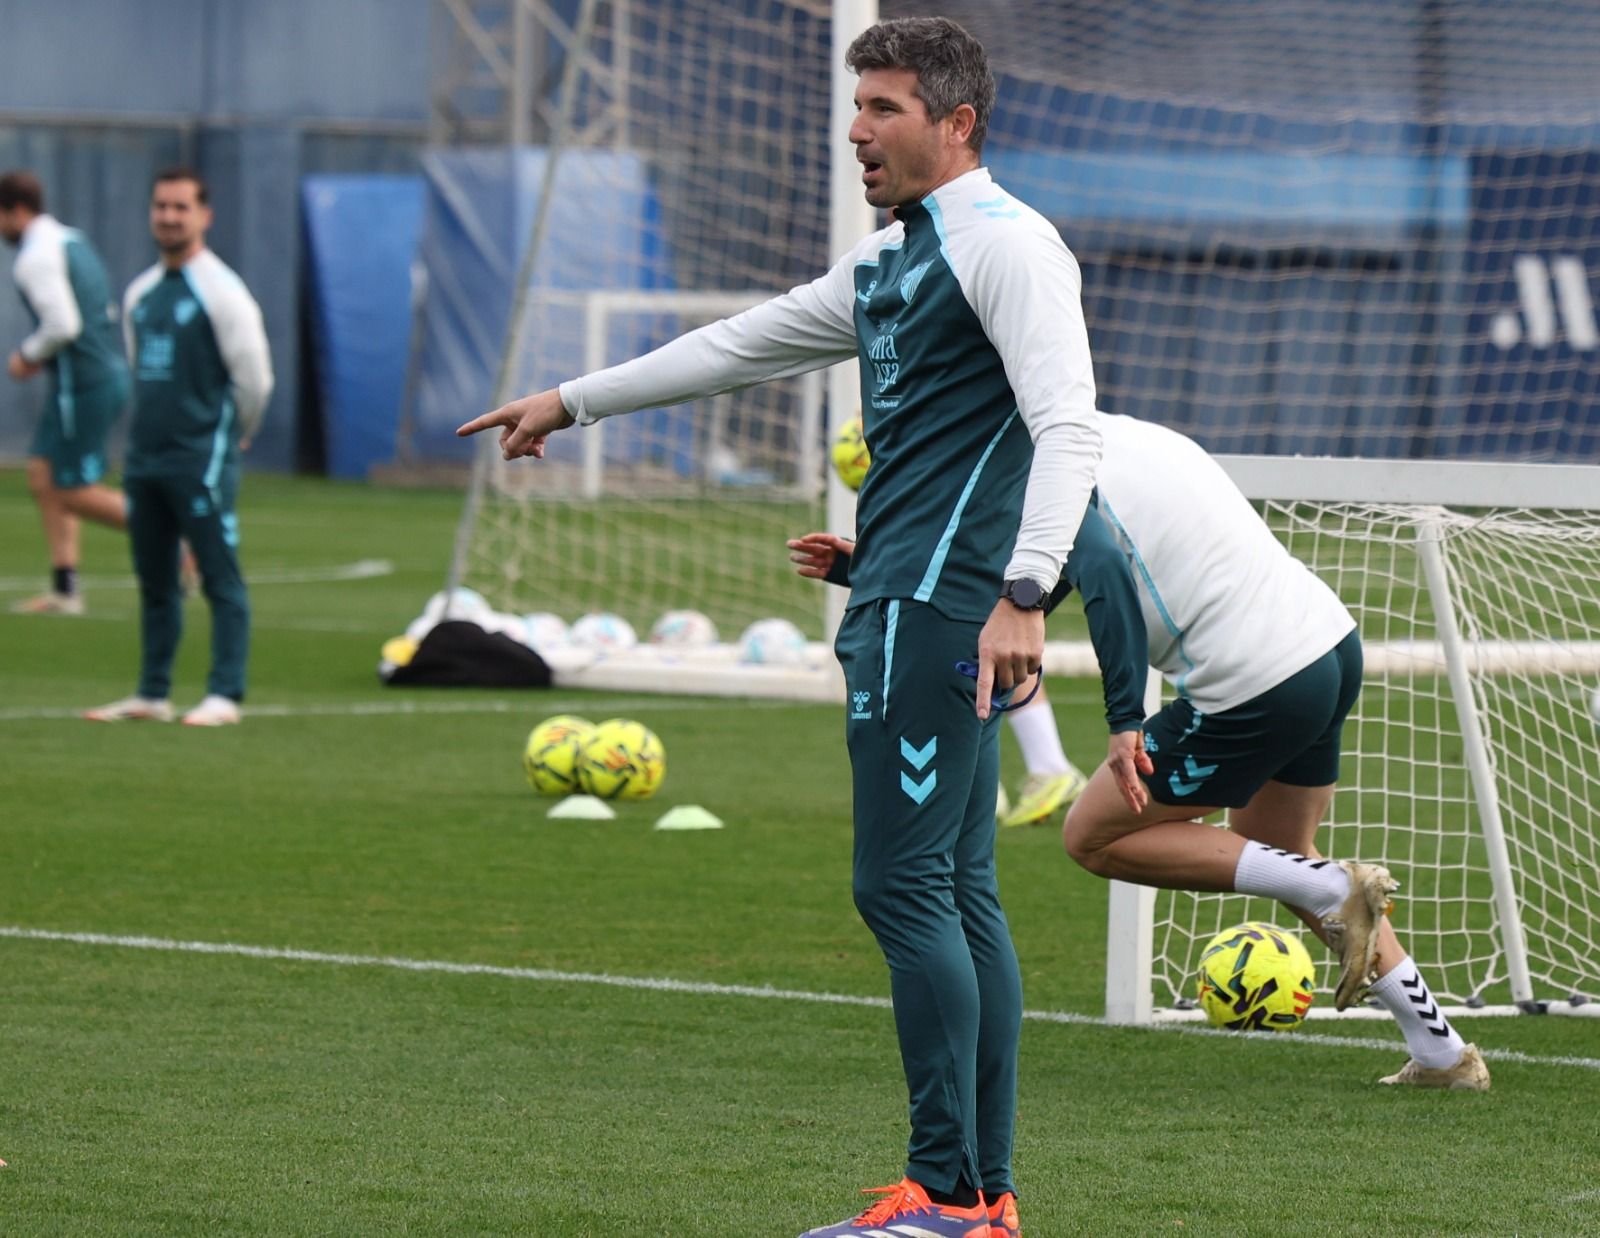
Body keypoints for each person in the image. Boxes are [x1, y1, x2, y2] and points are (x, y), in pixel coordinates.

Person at [459, 17, 1103, 1235]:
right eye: (856, 106)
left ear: (957, 123)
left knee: (903, 887)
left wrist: (1022, 592)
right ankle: (979, 1191)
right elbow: (739, 345)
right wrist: (570, 400)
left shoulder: (1011, 248)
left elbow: (1069, 427)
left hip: (938, 614)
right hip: (900, 594)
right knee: (957, 890)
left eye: (886, 109)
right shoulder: (896, 261)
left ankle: (950, 1194)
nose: (858, 130)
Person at [792, 409, 1490, 1091]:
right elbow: (1044, 575)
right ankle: (1440, 1049)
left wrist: (1126, 717)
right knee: (1280, 853)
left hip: (1256, 681)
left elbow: (1102, 576)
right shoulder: (1109, 431)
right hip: (1330, 647)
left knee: (1092, 835)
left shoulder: (1043, 471)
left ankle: (1332, 887)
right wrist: (868, 571)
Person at [84, 168, 273, 728]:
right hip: (144, 459)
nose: (169, 217)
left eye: (181, 207)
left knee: (219, 575)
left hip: (201, 459)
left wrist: (232, 433)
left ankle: (224, 694)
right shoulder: (141, 292)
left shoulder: (223, 292)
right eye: (161, 206)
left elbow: (255, 380)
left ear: (203, 216)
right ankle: (152, 692)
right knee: (155, 580)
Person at [1, 169, 131, 615]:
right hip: (93, 376)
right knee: (41, 474)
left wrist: (26, 356)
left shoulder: (34, 257)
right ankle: (65, 587)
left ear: (16, 212)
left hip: (85, 382)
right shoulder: (70, 238)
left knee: (71, 489)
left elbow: (64, 324)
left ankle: (175, 536)